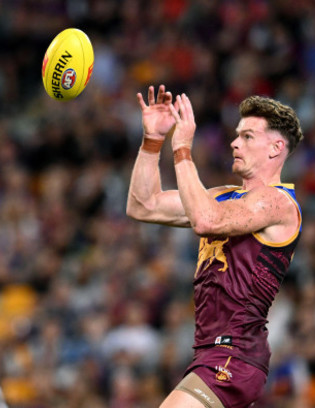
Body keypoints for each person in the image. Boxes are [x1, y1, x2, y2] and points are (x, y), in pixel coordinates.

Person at [127, 85, 304, 408]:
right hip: (211, 351)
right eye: (238, 135)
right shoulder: (224, 195)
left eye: (248, 136)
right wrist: (153, 141)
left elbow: (206, 221)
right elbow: (144, 205)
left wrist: (182, 149)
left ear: (276, 148)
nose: (235, 142)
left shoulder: (277, 202)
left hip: (235, 355)